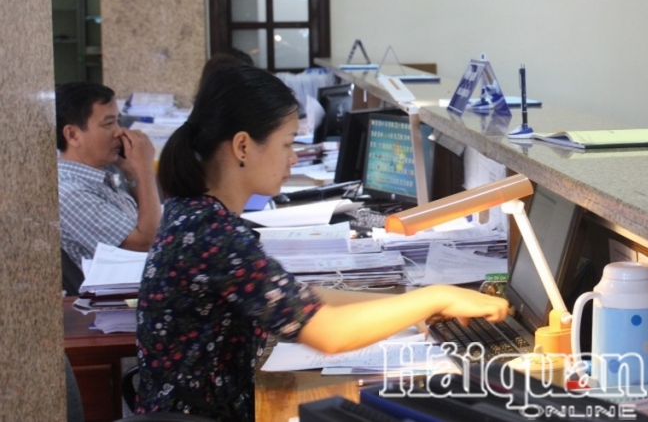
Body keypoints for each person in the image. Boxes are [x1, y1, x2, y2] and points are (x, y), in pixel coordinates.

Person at [134, 65, 508, 420]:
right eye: (286, 144)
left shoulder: (196, 215)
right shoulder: (214, 237)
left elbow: (304, 297)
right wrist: (435, 296)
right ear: (243, 147)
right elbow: (328, 332)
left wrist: (411, 307)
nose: (293, 158)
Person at [56, 82, 161, 270]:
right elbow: (147, 244)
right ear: (72, 135)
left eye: (118, 121)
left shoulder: (95, 179)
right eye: (108, 123)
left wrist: (132, 172)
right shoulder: (70, 193)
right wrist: (145, 169)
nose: (119, 131)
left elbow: (146, 225)